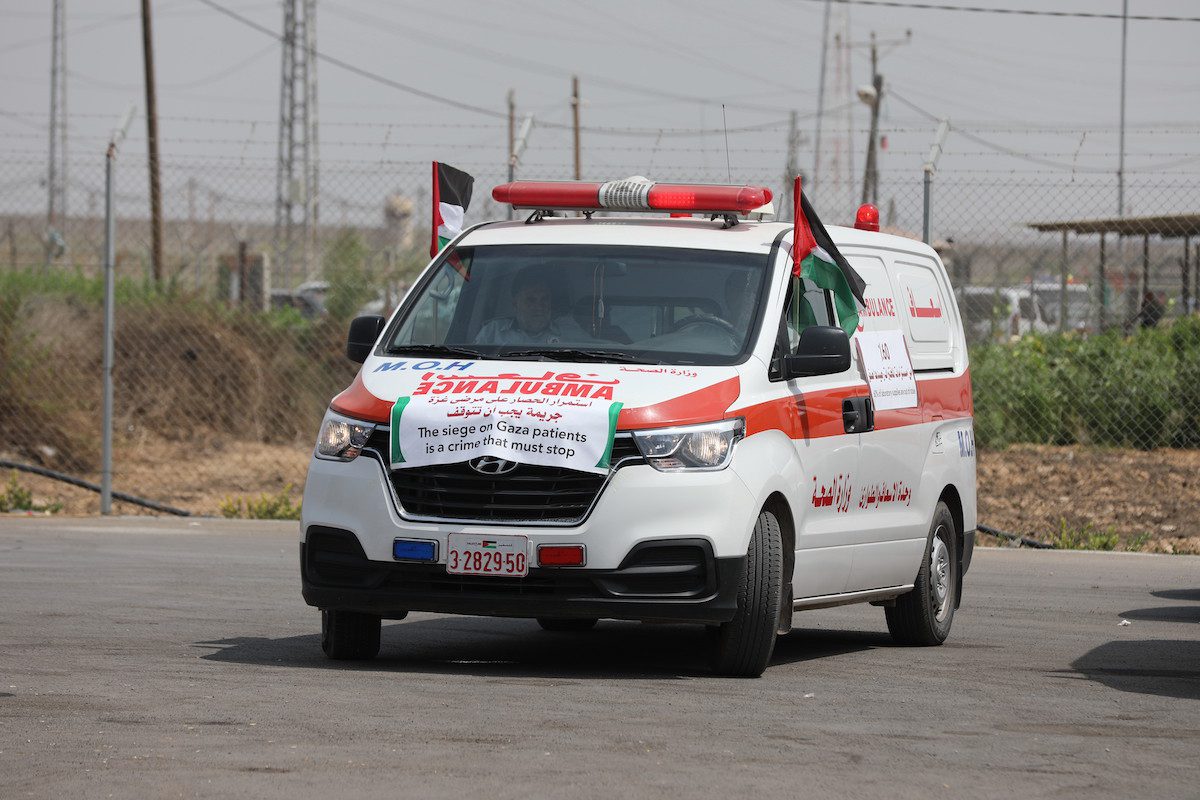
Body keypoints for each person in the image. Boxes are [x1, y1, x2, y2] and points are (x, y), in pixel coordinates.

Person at [475, 267, 588, 345]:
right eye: (530, 300)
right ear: (515, 304)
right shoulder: (492, 332)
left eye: (545, 299)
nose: (539, 306)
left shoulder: (570, 332)